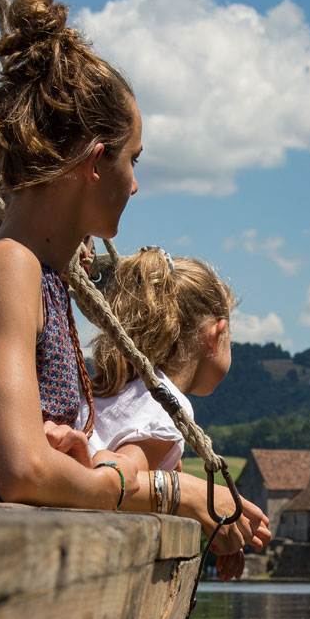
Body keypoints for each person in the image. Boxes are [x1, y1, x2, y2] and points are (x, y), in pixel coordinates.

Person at [0, 0, 267, 558]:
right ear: (96, 163)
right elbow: (18, 470)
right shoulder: (9, 266)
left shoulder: (38, 277)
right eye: (132, 159)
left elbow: (32, 463)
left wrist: (76, 459)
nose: (136, 184)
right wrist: (168, 491)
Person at [52, 246, 265, 580]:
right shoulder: (162, 407)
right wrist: (103, 470)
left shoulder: (116, 390)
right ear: (216, 334)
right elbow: (121, 477)